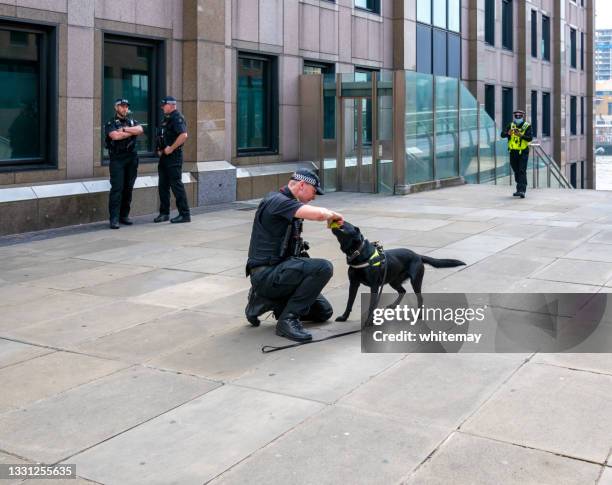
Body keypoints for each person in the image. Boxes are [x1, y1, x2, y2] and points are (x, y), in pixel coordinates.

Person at [245, 169, 344, 342]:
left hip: (282, 270)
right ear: (302, 185)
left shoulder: (287, 203)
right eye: (314, 192)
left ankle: (265, 301)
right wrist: (333, 215)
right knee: (323, 267)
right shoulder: (278, 201)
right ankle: (287, 320)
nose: (314, 197)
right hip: (266, 274)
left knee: (323, 312)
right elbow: (319, 214)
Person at [104, 98, 143, 229]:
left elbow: (140, 130)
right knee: (117, 189)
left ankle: (124, 215)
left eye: (126, 106)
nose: (124, 108)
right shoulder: (111, 122)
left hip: (131, 158)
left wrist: (124, 130)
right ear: (116, 108)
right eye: (122, 106)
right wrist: (130, 132)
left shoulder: (131, 121)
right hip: (117, 158)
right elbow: (114, 136)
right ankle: (114, 218)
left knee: (128, 188)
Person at [154, 96, 190, 223]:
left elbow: (183, 135)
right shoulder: (167, 118)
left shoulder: (177, 117)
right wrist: (160, 149)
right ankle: (164, 213)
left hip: (174, 157)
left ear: (172, 105)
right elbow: (162, 136)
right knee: (163, 186)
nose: (163, 107)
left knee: (176, 185)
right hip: (164, 157)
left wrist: (172, 148)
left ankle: (184, 214)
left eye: (164, 105)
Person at [501, 109, 533, 199]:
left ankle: (522, 190)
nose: (518, 117)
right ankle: (519, 188)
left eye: (520, 116)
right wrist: (508, 133)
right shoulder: (511, 125)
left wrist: (521, 135)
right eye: (516, 116)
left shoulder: (527, 126)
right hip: (513, 152)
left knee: (522, 170)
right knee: (516, 170)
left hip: (523, 152)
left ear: (523, 116)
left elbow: (530, 138)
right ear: (514, 116)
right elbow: (502, 134)